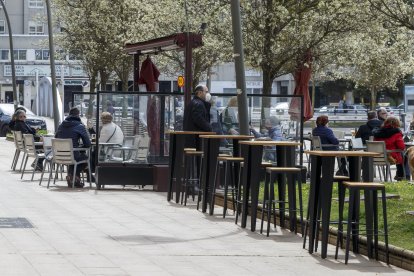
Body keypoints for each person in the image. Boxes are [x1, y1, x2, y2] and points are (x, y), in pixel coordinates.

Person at [55, 107, 91, 187]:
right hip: (72, 156)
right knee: (85, 157)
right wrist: (80, 146)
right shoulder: (80, 126)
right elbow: (88, 144)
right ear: (78, 115)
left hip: (59, 156)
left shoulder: (61, 126)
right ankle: (74, 176)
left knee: (75, 156)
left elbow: (56, 137)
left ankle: (74, 177)